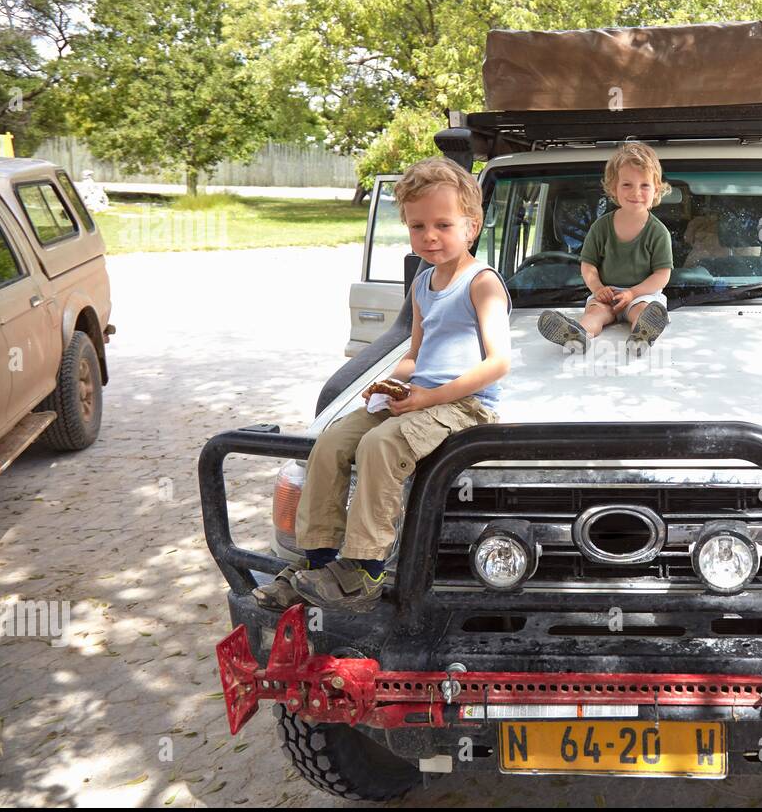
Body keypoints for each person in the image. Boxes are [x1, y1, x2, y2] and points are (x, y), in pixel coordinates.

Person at [252, 157, 512, 612]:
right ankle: (318, 561)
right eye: (417, 226)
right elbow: (414, 355)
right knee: (330, 441)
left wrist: (428, 398)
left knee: (381, 445)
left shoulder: (482, 283)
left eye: (443, 224)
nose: (429, 236)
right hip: (419, 398)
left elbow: (497, 364)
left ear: (472, 226)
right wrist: (384, 384)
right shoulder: (423, 283)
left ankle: (365, 570)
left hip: (466, 404)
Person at [537, 142, 673, 355]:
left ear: (656, 188)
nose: (636, 192)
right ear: (613, 188)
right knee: (594, 314)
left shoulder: (658, 232)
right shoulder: (601, 227)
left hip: (641, 294)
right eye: (627, 184)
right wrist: (598, 288)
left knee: (642, 311)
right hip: (606, 294)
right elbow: (588, 265)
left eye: (644, 185)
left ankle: (643, 335)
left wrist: (632, 293)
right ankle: (577, 334)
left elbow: (662, 275)